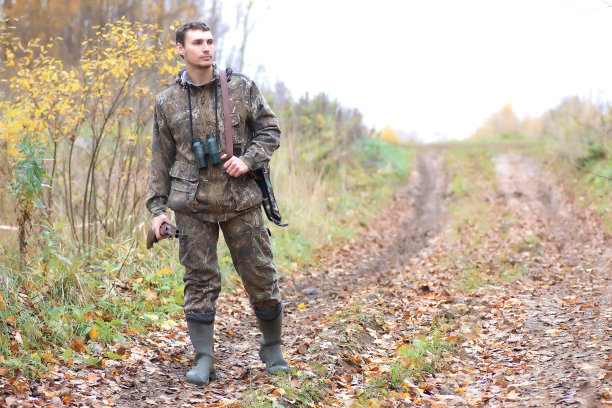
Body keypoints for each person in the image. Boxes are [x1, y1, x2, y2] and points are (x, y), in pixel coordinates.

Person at [146, 21, 288, 386]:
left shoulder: (240, 87)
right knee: (199, 280)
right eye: (197, 43)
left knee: (259, 273)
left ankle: (272, 348)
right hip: (191, 204)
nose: (206, 48)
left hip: (240, 200)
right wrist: (157, 209)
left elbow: (270, 129)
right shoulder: (166, 101)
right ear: (181, 49)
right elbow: (159, 159)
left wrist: (249, 159)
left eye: (210, 41)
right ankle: (204, 358)